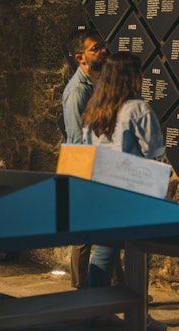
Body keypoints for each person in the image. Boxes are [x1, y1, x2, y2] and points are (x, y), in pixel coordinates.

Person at [81, 52, 166, 288]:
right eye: (139, 72)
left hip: (103, 190)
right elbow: (154, 151)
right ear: (132, 76)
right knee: (139, 253)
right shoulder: (138, 109)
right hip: (134, 192)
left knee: (104, 251)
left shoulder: (94, 110)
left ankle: (95, 305)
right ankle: (137, 308)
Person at [61, 27, 108, 289]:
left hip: (99, 163)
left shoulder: (98, 83)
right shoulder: (78, 91)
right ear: (80, 58)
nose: (103, 51)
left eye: (102, 46)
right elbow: (78, 139)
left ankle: (116, 287)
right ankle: (79, 291)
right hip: (83, 166)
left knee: (108, 231)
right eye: (95, 49)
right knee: (83, 234)